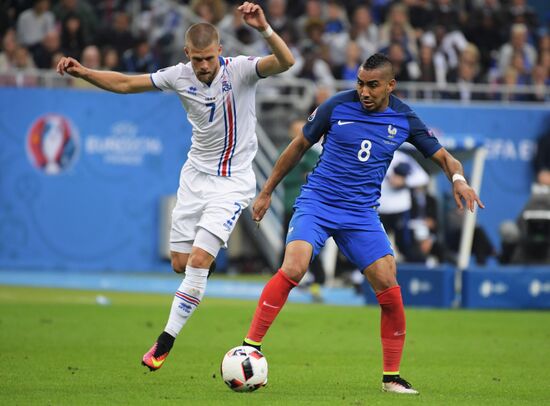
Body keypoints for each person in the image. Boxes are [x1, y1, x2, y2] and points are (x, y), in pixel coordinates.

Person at [56, 1, 294, 372]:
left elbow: (286, 62)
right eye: (197, 59)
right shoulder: (178, 75)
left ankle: (164, 342)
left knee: (197, 261)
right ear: (188, 55)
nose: (203, 66)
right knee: (180, 264)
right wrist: (84, 72)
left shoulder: (242, 70)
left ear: (220, 52)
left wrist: (264, 29)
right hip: (195, 177)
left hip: (233, 182)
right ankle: (200, 273)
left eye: (209, 59)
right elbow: (124, 83)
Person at [241, 53, 483, 395]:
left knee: (388, 283)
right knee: (294, 267)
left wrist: (458, 179)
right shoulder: (336, 107)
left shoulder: (403, 118)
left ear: (390, 85)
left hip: (360, 214)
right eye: (359, 83)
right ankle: (251, 346)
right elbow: (298, 146)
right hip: (319, 202)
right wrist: (266, 192)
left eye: (372, 85)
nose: (364, 91)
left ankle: (391, 378)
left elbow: (444, 157)